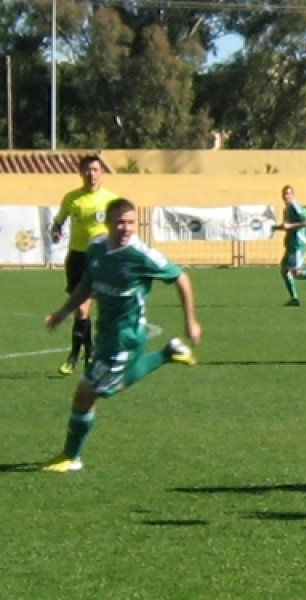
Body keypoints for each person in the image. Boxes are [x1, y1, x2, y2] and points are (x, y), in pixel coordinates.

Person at [41, 198, 203, 473]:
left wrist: (191, 321)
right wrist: (63, 312)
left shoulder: (142, 255)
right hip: (106, 333)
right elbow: (86, 284)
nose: (126, 228)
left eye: (131, 222)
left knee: (87, 392)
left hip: (126, 337)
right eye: (120, 222)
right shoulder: (96, 247)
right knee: (99, 389)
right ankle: (168, 353)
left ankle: (72, 456)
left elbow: (181, 278)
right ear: (107, 223)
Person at [50, 154, 119, 375]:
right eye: (88, 170)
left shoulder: (111, 200)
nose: (92, 174)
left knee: (95, 309)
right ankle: (82, 355)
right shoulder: (72, 199)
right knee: (81, 309)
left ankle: (80, 355)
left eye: (96, 170)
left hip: (102, 258)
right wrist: (56, 232)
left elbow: (121, 228)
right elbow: (58, 222)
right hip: (78, 258)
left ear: (102, 173)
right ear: (81, 173)